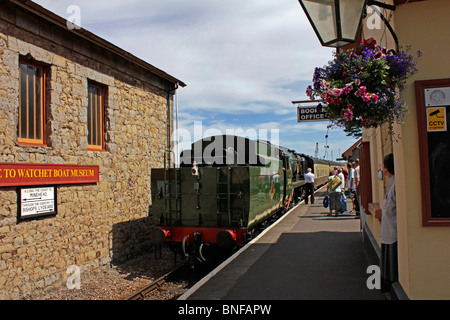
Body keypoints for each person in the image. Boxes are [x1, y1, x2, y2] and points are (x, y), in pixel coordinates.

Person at [380, 153, 398, 293]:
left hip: (393, 233)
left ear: (386, 169)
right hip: (388, 232)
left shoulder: (396, 186)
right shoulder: (392, 184)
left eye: (383, 166)